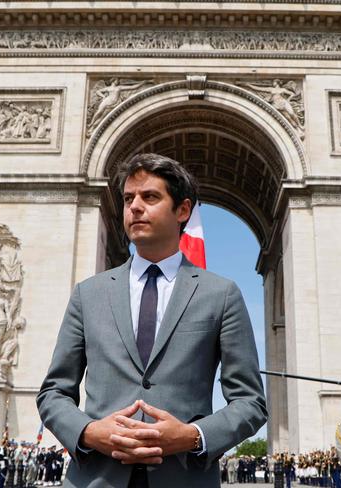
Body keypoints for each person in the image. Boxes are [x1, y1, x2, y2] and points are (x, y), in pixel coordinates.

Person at [37, 153, 267, 487]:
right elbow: (53, 392)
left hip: (185, 475)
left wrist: (193, 436)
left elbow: (251, 402)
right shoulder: (87, 294)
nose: (135, 207)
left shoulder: (221, 294)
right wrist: (88, 432)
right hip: (96, 476)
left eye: (150, 197)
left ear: (183, 210)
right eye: (129, 198)